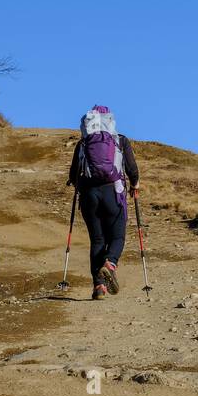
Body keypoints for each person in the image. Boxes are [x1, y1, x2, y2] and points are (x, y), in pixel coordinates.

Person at [66, 105, 140, 300]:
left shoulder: (83, 143)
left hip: (89, 195)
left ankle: (99, 287)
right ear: (110, 120)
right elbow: (132, 168)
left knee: (97, 240)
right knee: (117, 237)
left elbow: (74, 175)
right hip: (112, 192)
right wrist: (135, 184)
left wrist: (81, 186)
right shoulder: (120, 140)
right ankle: (109, 264)